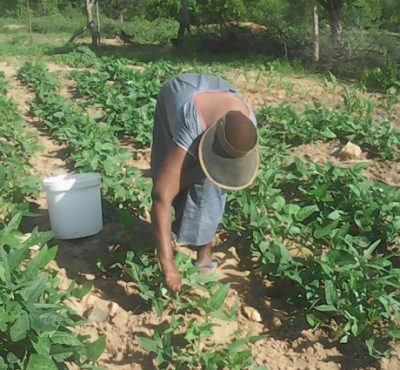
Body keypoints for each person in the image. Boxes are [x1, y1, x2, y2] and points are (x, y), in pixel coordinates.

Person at [151, 73, 259, 293]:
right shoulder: (191, 122)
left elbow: (222, 175)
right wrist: (168, 267)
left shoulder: (248, 124)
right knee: (170, 175)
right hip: (180, 94)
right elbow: (160, 196)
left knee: (213, 183)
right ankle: (168, 239)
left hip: (219, 90)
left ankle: (204, 255)